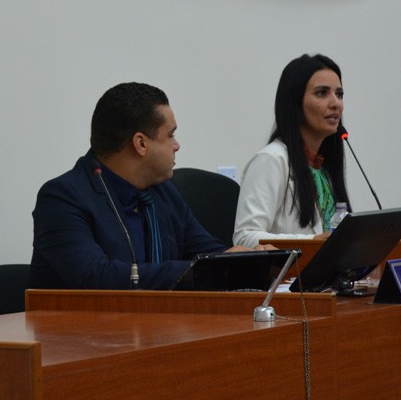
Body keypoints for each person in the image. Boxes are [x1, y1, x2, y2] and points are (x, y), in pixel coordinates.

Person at [30, 82, 247, 290]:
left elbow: (209, 254)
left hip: (162, 316)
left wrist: (247, 260)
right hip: (83, 317)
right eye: (170, 135)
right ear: (141, 143)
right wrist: (203, 269)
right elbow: (96, 277)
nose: (176, 145)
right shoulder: (63, 198)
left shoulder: (163, 192)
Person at [234, 54, 350, 248]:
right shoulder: (272, 159)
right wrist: (312, 243)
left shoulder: (322, 165)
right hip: (290, 268)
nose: (335, 103)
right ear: (295, 103)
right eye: (322, 93)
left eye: (339, 94)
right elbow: (245, 237)